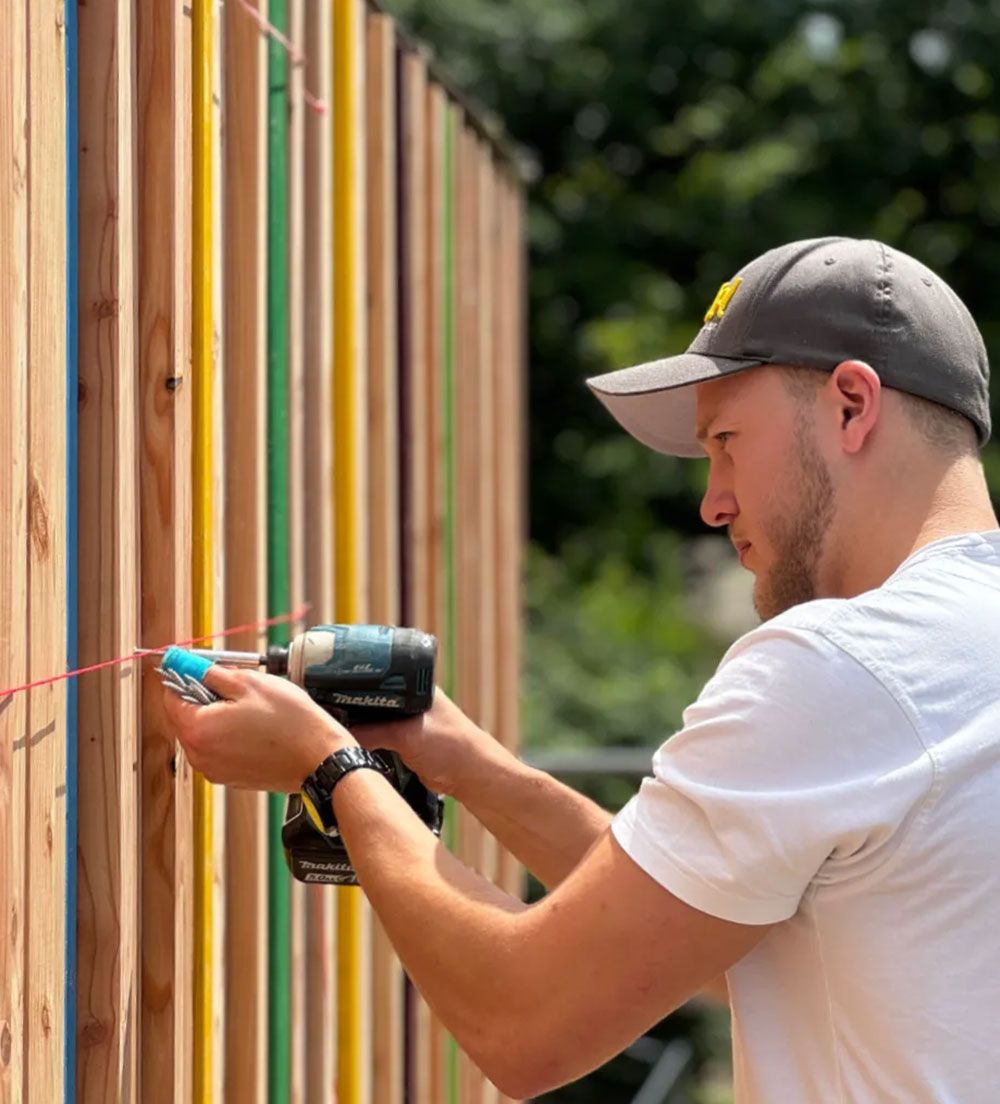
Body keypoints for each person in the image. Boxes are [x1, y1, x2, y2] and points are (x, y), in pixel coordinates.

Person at [165, 237, 1000, 1102]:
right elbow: (705, 933)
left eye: (725, 440)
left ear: (852, 404)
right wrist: (464, 762)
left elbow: (522, 1025)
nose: (713, 500)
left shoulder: (842, 667)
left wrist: (330, 769)